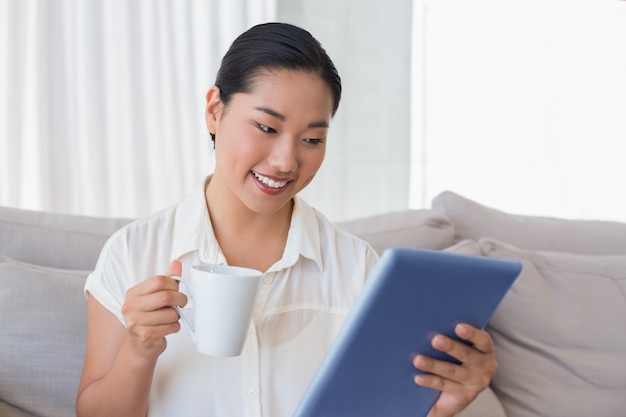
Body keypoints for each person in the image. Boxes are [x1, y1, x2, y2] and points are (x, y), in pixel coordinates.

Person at [76, 22, 498, 417]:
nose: (285, 161)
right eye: (265, 126)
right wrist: (139, 349)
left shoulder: (356, 268)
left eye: (313, 139)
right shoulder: (134, 252)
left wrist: (441, 408)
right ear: (214, 111)